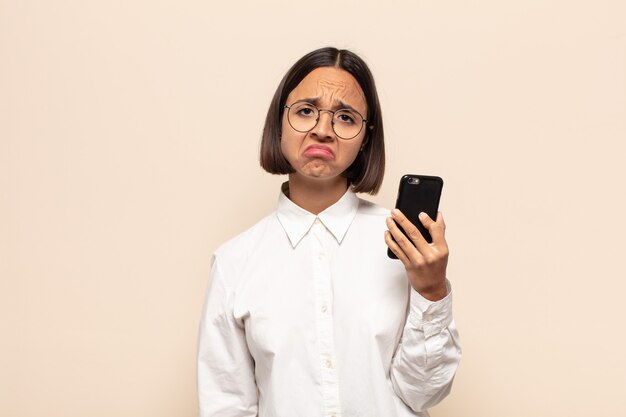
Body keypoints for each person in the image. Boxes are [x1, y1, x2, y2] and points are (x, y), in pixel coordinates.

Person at [197, 47, 461, 417]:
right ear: (278, 122)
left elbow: (422, 393)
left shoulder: (403, 247)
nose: (323, 130)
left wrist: (431, 291)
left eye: (345, 117)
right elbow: (227, 404)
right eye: (306, 111)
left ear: (366, 138)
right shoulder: (234, 263)